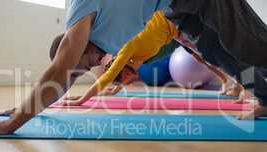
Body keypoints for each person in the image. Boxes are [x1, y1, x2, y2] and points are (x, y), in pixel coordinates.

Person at [0, 0, 170, 136]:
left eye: (78, 67)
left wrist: (10, 125)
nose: (92, 68)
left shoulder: (82, 12)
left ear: (70, 50)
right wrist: (25, 110)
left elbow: (60, 72)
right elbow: (63, 80)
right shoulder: (107, 40)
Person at [59, 11, 246, 108]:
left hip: (177, 21)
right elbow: (120, 80)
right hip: (174, 32)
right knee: (203, 58)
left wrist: (83, 99)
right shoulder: (134, 61)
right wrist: (111, 91)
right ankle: (227, 80)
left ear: (121, 66)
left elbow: (108, 77)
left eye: (123, 76)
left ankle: (241, 84)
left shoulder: (126, 48)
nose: (128, 79)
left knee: (211, 54)